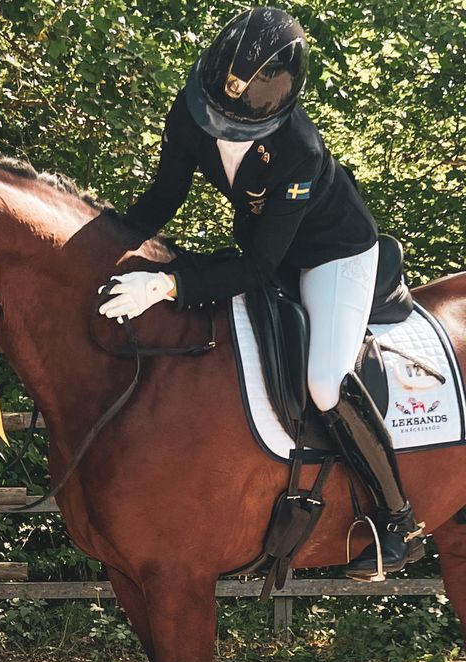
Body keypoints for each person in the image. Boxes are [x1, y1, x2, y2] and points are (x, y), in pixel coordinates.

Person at [98, 6, 424, 580]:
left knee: (323, 382)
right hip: (265, 247)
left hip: (331, 256)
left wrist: (169, 283)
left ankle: (397, 519)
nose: (219, 128)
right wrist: (107, 245)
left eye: (235, 123)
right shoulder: (194, 106)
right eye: (214, 114)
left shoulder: (298, 148)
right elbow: (164, 194)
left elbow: (260, 265)